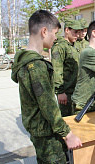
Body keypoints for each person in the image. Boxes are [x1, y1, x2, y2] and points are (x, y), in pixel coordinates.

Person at [11, 10, 82, 163]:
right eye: (55, 33)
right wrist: (68, 135)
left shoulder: (25, 59)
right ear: (44, 31)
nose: (56, 37)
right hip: (46, 131)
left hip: (38, 129)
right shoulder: (36, 66)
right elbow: (48, 105)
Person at [51, 19, 82, 117]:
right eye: (75, 32)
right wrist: (60, 92)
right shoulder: (59, 47)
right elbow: (56, 70)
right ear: (67, 30)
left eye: (79, 32)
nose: (77, 35)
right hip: (66, 92)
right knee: (66, 119)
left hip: (77, 90)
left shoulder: (76, 45)